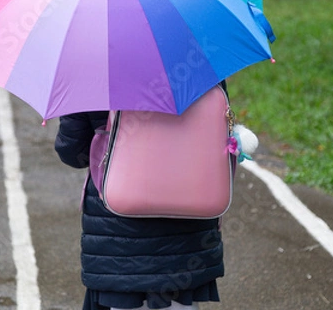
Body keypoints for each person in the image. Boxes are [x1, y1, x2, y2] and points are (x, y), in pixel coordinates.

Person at [54, 88, 228, 310]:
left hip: (118, 229)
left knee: (123, 302)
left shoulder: (92, 70)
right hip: (188, 222)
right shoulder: (202, 62)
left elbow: (72, 152)